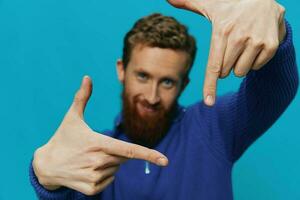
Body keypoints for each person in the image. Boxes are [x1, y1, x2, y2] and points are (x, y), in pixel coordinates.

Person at [30, 0, 298, 199]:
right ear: (121, 70)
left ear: (184, 84)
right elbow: (63, 184)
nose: (152, 97)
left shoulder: (214, 127)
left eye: (167, 82)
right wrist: (45, 177)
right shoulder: (94, 156)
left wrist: (272, 25)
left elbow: (275, 85)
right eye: (143, 76)